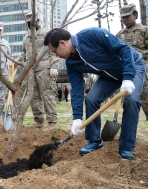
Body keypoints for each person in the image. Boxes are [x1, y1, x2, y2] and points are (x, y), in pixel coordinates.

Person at [44, 27, 145, 160]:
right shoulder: (71, 63)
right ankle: (95, 141)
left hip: (133, 66)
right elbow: (77, 89)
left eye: (55, 51)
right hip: (109, 76)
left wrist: (127, 77)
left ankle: (126, 148)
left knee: (131, 101)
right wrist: (77, 118)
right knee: (91, 99)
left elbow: (124, 49)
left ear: (63, 43)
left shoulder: (92, 35)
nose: (56, 55)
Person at [16, 12, 59, 130]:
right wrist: (16, 62)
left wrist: (54, 66)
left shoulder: (46, 34)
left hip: (44, 69)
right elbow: (24, 54)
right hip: (31, 71)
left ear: (38, 21)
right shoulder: (26, 38)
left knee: (47, 95)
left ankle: (52, 122)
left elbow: (54, 51)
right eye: (29, 23)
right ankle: (39, 121)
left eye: (34, 22)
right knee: (34, 96)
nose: (32, 25)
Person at [116, 3, 148, 121]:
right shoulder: (120, 35)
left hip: (145, 73)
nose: (125, 20)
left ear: (135, 15)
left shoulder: (145, 30)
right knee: (129, 101)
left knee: (147, 101)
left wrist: (140, 54)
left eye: (127, 17)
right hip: (128, 74)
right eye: (123, 18)